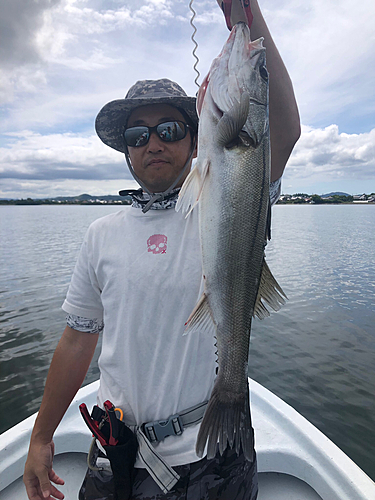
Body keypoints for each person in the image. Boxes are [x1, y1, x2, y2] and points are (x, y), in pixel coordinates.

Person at [23, 1, 300, 499]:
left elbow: (282, 129)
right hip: (115, 455)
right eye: (138, 134)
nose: (153, 142)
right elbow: (76, 340)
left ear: (197, 139)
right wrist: (41, 436)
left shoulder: (221, 195)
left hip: (211, 455)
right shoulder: (100, 234)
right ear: (126, 150)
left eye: (169, 130)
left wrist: (247, 14)